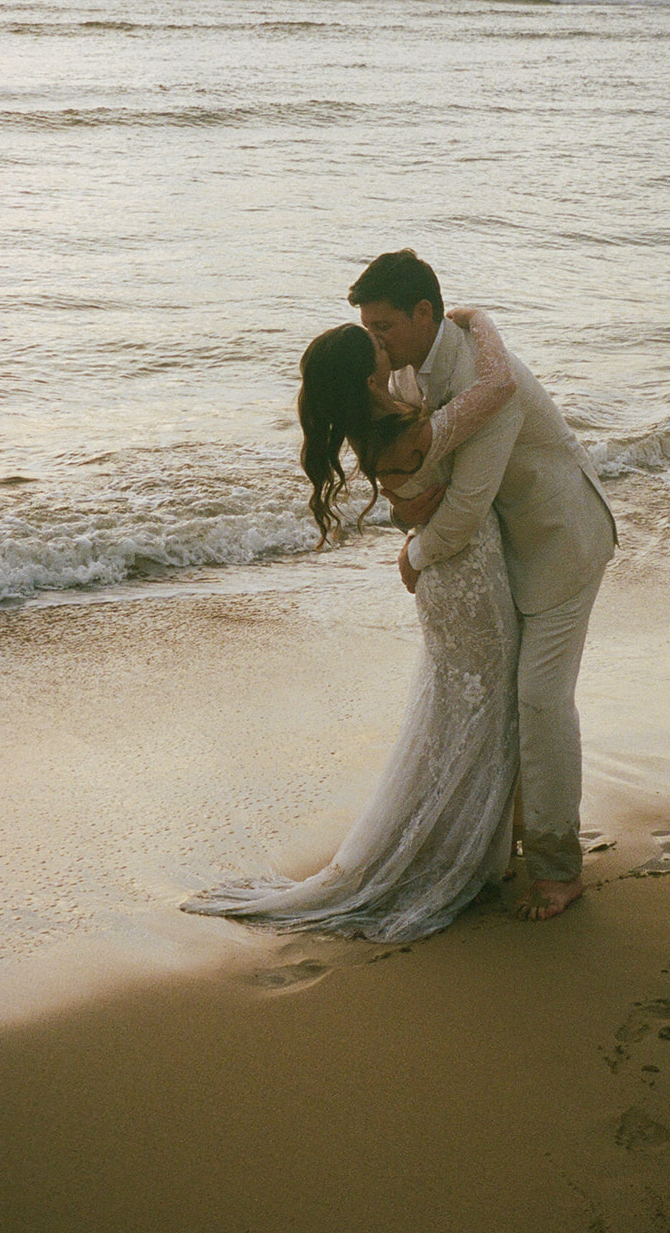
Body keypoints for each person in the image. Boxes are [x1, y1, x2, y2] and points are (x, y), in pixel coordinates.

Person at [181, 306, 523, 942]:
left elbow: (417, 492)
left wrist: (410, 522)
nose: (384, 342)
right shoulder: (409, 432)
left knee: (458, 710)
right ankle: (459, 857)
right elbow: (498, 386)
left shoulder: (381, 425)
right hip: (468, 580)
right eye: (374, 342)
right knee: (481, 708)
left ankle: (466, 847)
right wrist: (479, 322)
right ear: (367, 376)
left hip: (449, 580)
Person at [349, 250, 617, 922]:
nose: (372, 340)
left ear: (422, 314)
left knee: (540, 701)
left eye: (382, 325)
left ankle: (558, 868)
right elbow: (421, 480)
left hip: (560, 541)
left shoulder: (479, 376)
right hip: (503, 552)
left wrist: (416, 555)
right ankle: (506, 836)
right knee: (505, 696)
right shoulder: (412, 372)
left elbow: (464, 506)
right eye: (364, 327)